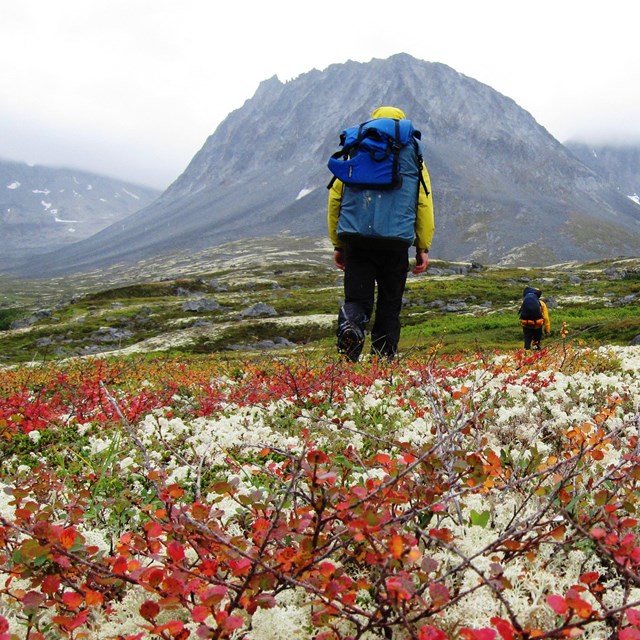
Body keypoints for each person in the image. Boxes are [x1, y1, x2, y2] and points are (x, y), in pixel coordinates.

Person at [327, 106, 435, 361]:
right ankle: (382, 362)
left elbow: (335, 197)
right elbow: (423, 202)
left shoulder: (357, 147)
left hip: (357, 239)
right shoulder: (411, 152)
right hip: (395, 243)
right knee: (389, 303)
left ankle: (351, 327)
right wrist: (423, 247)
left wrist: (338, 244)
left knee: (357, 298)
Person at [519, 286, 551, 350]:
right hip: (537, 325)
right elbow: (546, 318)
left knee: (527, 341)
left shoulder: (525, 302)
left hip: (526, 325)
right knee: (536, 342)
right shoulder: (541, 303)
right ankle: (536, 356)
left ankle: (526, 356)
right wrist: (547, 330)